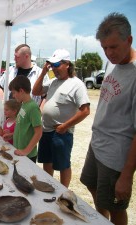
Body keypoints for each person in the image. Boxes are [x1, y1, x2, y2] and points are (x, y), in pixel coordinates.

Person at [80, 12, 136, 225]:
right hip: (98, 144)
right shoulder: (112, 63)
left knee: (116, 206)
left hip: (117, 154)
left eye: (113, 47)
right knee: (91, 185)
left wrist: (127, 175)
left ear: (128, 39)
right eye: (104, 48)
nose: (108, 53)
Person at [32, 49, 90, 188]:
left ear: (67, 64)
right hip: (46, 130)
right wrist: (44, 72)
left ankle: (64, 191)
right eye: (52, 65)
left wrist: (65, 126)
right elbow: (35, 91)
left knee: (63, 165)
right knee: (47, 161)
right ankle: (48, 185)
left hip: (62, 132)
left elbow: (85, 110)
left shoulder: (77, 84)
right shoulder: (53, 81)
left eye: (57, 64)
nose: (54, 68)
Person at [9, 75, 42, 162]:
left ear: (21, 91)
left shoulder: (33, 107)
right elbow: (23, 126)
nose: (13, 96)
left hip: (28, 156)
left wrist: (26, 151)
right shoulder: (24, 105)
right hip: (18, 151)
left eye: (14, 93)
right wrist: (11, 135)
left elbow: (38, 132)